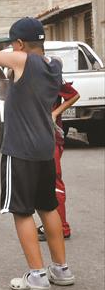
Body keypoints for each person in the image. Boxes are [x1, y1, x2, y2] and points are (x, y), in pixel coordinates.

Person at [0, 17, 75, 290]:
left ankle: (37, 276)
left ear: (19, 44)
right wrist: (3, 68)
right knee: (48, 207)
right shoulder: (54, 65)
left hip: (20, 150)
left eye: (12, 44)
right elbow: (16, 91)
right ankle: (61, 269)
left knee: (21, 211)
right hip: (45, 147)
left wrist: (6, 55)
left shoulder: (21, 61)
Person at [37, 81, 80, 241]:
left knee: (54, 183)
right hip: (34, 139)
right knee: (42, 184)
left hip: (50, 138)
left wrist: (55, 113)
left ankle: (61, 228)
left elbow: (74, 95)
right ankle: (50, 225)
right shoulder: (26, 72)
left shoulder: (50, 72)